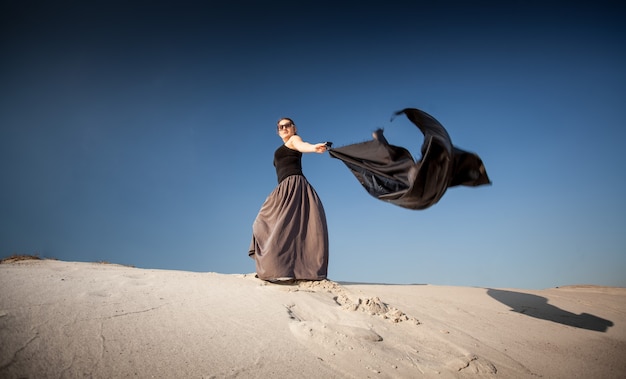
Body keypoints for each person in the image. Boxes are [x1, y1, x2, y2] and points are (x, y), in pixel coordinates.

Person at [249, 117, 329, 283]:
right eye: (280, 127)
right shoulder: (282, 146)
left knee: (292, 228)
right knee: (264, 223)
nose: (284, 128)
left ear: (294, 128)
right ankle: (279, 267)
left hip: (295, 185)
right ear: (278, 131)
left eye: (287, 125)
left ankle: (295, 270)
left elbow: (302, 145)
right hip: (283, 189)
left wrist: (314, 147)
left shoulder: (294, 139)